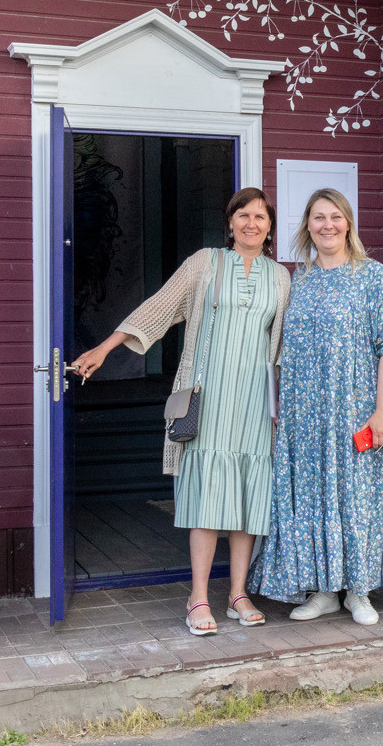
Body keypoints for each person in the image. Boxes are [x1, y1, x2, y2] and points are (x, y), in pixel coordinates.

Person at [70, 187, 288, 636]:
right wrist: (106, 347)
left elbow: (284, 346)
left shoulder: (281, 278)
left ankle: (238, 594)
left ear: (269, 227)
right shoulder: (205, 263)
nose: (251, 223)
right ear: (229, 223)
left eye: (260, 217)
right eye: (243, 216)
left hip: (254, 403)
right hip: (206, 397)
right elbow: (160, 307)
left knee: (248, 499)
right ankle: (199, 597)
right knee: (208, 498)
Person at [252, 187, 383, 626]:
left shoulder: (373, 276)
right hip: (305, 415)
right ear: (307, 225)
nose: (327, 225)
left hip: (357, 410)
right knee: (312, 499)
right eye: (318, 217)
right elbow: (279, 348)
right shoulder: (298, 278)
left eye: (335, 217)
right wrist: (277, 406)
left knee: (358, 496)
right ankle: (323, 590)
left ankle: (358, 592)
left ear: (348, 224)